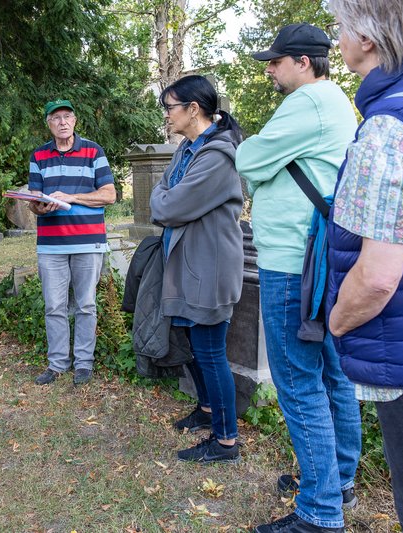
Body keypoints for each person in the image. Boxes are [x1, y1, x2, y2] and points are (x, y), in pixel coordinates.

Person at [325, 1, 403, 530]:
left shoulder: (390, 125)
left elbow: (377, 276)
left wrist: (335, 322)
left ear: (368, 38)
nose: (337, 37)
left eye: (341, 25)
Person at [234, 24, 362, 533]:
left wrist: (263, 160)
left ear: (303, 62)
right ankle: (338, 482)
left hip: (292, 262)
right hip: (320, 258)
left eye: (275, 61)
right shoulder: (336, 102)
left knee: (298, 384)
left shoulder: (306, 104)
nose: (269, 69)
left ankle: (319, 512)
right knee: (333, 376)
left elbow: (249, 160)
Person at [149, 75, 244, 463]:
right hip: (187, 263)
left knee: (209, 351)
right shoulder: (187, 149)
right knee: (192, 345)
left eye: (170, 108)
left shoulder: (218, 156)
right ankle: (206, 411)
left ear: (193, 109)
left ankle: (226, 441)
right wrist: (165, 197)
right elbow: (161, 194)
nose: (166, 116)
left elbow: (168, 206)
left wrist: (166, 198)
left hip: (210, 265)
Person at [28, 99, 116, 386]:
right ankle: (56, 364)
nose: (62, 122)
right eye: (56, 118)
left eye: (67, 116)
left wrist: (72, 197)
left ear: (75, 120)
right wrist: (40, 206)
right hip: (51, 245)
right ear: (49, 124)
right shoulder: (38, 155)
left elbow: (109, 195)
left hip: (87, 242)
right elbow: (34, 200)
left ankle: (83, 363)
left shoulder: (94, 151)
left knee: (86, 304)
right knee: (54, 306)